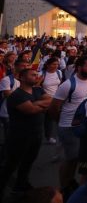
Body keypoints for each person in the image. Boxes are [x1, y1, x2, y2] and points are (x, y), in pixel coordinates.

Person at [48, 55, 87, 195]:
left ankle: (72, 185)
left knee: (81, 159)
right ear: (79, 67)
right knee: (71, 159)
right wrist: (62, 123)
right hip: (69, 128)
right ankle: (64, 188)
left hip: (85, 128)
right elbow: (53, 108)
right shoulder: (68, 85)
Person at [0, 68, 51, 197]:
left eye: (37, 74)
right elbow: (31, 110)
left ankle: (20, 185)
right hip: (19, 136)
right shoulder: (16, 95)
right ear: (22, 78)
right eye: (33, 75)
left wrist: (36, 103)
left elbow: (50, 101)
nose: (37, 76)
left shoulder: (38, 90)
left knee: (28, 162)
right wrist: (40, 105)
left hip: (36, 134)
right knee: (11, 165)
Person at [40, 57, 63, 144]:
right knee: (45, 119)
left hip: (56, 100)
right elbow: (37, 87)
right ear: (48, 65)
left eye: (57, 64)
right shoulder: (42, 74)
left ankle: (52, 136)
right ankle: (46, 136)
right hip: (45, 100)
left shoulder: (59, 72)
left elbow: (59, 84)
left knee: (54, 119)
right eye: (53, 64)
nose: (56, 66)